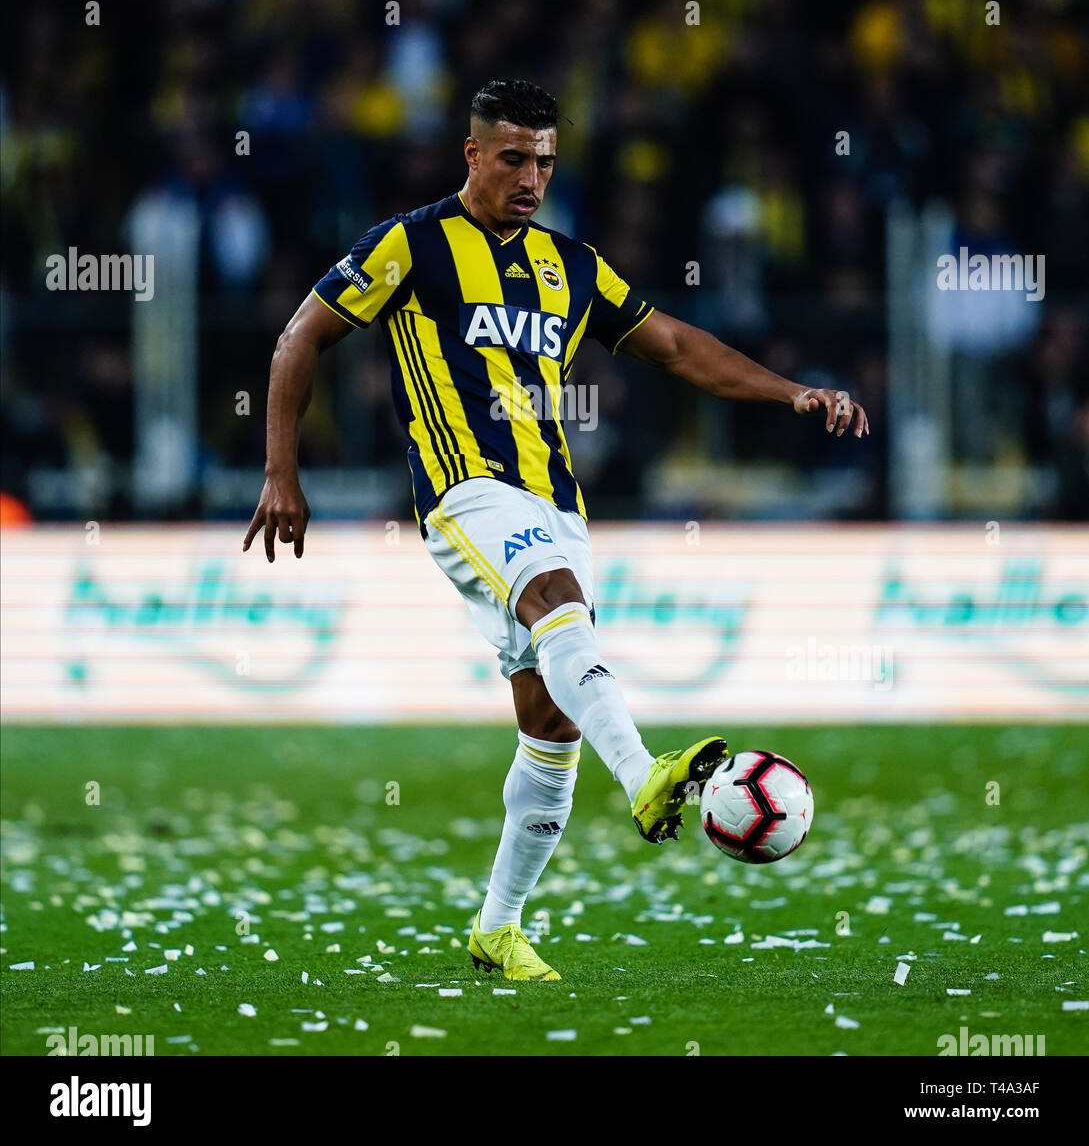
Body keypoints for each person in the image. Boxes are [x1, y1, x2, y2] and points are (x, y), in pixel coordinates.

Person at [244, 79, 869, 982]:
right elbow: (299, 338)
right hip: (464, 490)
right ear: (471, 155)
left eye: (543, 159)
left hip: (556, 503)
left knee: (548, 721)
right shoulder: (410, 245)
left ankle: (498, 928)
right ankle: (646, 774)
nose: (530, 176)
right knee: (557, 605)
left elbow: (678, 347)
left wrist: (791, 390)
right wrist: (280, 471)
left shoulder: (569, 265)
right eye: (511, 158)